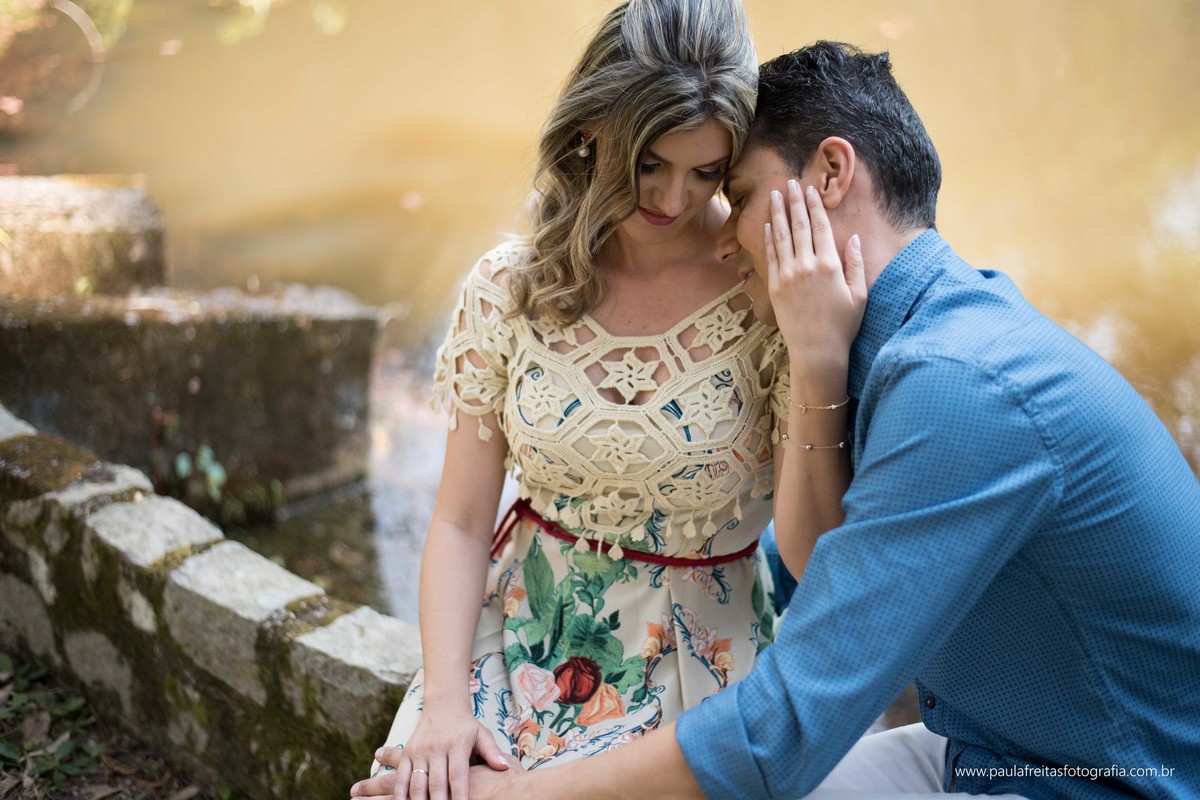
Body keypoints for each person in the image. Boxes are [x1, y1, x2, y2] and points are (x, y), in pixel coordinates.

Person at [357, 40, 1200, 799]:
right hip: (993, 746)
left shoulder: (955, 385)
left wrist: (519, 797)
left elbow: (785, 721)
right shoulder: (930, 331)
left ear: (830, 177)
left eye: (736, 193)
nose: (719, 235)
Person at [350, 6, 856, 800]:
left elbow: (809, 554)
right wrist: (445, 709)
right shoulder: (513, 284)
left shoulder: (767, 286)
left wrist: (818, 356)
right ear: (591, 128)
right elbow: (456, 520)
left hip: (701, 663)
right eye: (650, 163)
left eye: (707, 172)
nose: (674, 199)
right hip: (517, 632)